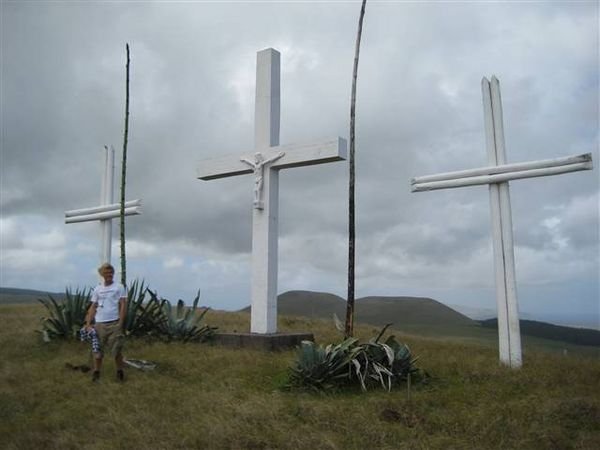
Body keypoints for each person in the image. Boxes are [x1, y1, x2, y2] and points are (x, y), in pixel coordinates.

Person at [84, 263, 127, 382]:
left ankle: (120, 372)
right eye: (106, 273)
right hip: (99, 324)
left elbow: (123, 304)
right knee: (97, 350)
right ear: (102, 274)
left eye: (111, 272)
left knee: (116, 350)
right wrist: (88, 324)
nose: (109, 275)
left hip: (114, 323)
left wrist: (121, 322)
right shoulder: (98, 289)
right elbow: (93, 306)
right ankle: (96, 373)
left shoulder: (119, 287)